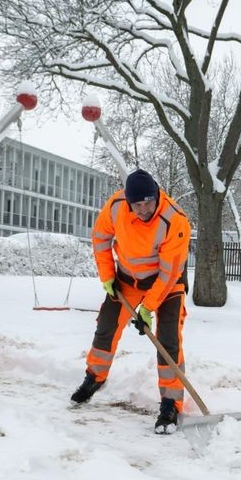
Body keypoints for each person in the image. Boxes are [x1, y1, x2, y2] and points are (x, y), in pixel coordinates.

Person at [69, 169, 192, 435]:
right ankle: (94, 378)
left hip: (166, 283)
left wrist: (148, 307)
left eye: (149, 201)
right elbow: (100, 237)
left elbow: (169, 272)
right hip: (126, 279)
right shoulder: (115, 207)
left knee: (168, 340)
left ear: (157, 195)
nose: (144, 209)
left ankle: (171, 402)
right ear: (128, 202)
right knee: (106, 327)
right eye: (138, 204)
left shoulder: (175, 221)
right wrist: (107, 275)